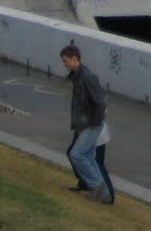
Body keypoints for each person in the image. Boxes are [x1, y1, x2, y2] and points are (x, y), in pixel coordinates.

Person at [60, 45, 112, 203]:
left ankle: (96, 187)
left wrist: (94, 123)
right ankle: (105, 196)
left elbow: (101, 102)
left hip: (91, 124)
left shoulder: (87, 76)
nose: (64, 64)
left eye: (65, 60)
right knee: (88, 157)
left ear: (75, 58)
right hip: (86, 124)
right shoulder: (78, 76)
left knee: (76, 154)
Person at [69, 120, 114, 199]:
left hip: (92, 122)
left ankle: (99, 188)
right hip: (90, 122)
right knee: (90, 159)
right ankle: (105, 194)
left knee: (78, 155)